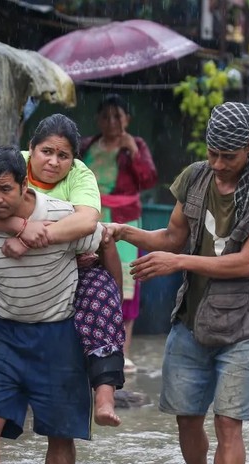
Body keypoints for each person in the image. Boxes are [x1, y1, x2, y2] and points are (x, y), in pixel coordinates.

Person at [104, 102, 249, 464]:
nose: (219, 164)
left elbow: (245, 263)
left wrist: (179, 262)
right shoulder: (195, 177)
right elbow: (172, 236)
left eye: (229, 156)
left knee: (228, 422)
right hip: (190, 321)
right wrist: (122, 232)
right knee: (187, 417)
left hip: (243, 327)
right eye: (213, 154)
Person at [0, 114, 126, 432]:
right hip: (8, 269)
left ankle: (105, 397)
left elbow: (89, 224)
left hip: (74, 262)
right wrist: (21, 228)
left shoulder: (80, 176)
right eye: (46, 151)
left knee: (102, 299)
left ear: (73, 160)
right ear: (30, 150)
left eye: (63, 155)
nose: (54, 161)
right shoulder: (8, 166)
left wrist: (32, 240)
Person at [0, 145, 105, 464]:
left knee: (60, 431)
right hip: (5, 332)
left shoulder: (63, 216)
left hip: (59, 334)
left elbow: (99, 240)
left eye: (5, 189)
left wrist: (106, 313)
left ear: (26, 186)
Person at [80, 94, 158, 371]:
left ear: (127, 120)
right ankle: (91, 345)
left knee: (125, 280)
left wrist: (134, 152)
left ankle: (122, 350)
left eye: (118, 116)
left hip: (124, 222)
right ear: (98, 120)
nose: (112, 122)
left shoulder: (135, 145)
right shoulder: (87, 144)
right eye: (106, 116)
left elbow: (148, 179)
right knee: (88, 273)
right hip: (90, 217)